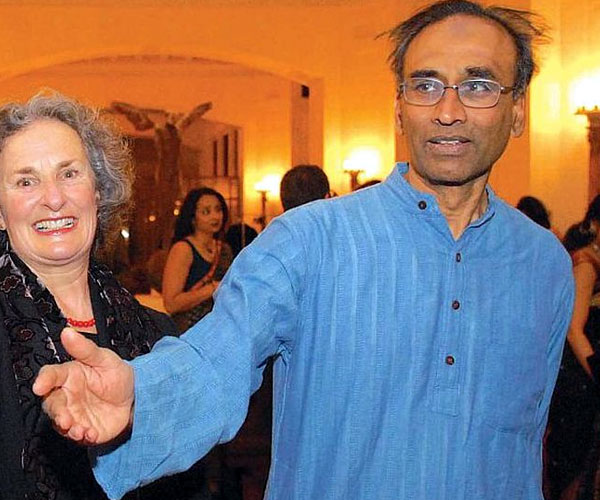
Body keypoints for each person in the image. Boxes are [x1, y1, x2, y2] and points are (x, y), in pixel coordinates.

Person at [33, 2, 574, 499]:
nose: (448, 110)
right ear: (399, 108)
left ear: (518, 110)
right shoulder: (307, 241)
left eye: (478, 85)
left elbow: (526, 441)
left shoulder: (544, 264)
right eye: (426, 85)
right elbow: (216, 359)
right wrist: (138, 398)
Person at [0, 92, 183, 500]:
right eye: (26, 181)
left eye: (69, 173)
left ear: (98, 192)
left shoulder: (159, 336)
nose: (53, 198)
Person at [546, 195, 600, 500]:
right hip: (579, 376)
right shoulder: (586, 264)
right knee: (574, 461)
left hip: (587, 373)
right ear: (594, 224)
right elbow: (573, 329)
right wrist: (595, 372)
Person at [162, 187, 232, 333]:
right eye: (206, 212)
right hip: (189, 330)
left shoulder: (224, 249)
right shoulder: (183, 249)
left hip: (218, 328)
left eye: (218, 210)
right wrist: (212, 288)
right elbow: (171, 304)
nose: (215, 216)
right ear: (193, 218)